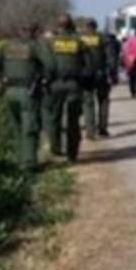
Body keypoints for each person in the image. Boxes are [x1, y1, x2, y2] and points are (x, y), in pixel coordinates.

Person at [0, 23, 52, 171]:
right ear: (32, 33)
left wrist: (3, 78)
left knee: (16, 127)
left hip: (9, 91)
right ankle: (29, 163)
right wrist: (44, 79)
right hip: (28, 92)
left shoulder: (5, 47)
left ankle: (20, 160)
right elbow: (50, 65)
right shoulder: (34, 46)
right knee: (30, 127)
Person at [45, 15, 90, 162]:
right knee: (73, 119)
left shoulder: (50, 42)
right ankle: (72, 154)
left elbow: (44, 63)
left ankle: (55, 148)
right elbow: (88, 65)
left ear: (58, 26)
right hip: (74, 84)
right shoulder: (79, 42)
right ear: (72, 26)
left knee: (54, 116)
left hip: (54, 84)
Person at [80, 19, 112, 139]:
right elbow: (110, 57)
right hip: (101, 74)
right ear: (96, 27)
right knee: (103, 101)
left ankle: (90, 131)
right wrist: (112, 73)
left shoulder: (80, 39)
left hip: (86, 75)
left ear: (86, 27)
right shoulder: (103, 38)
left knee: (88, 103)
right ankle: (102, 129)